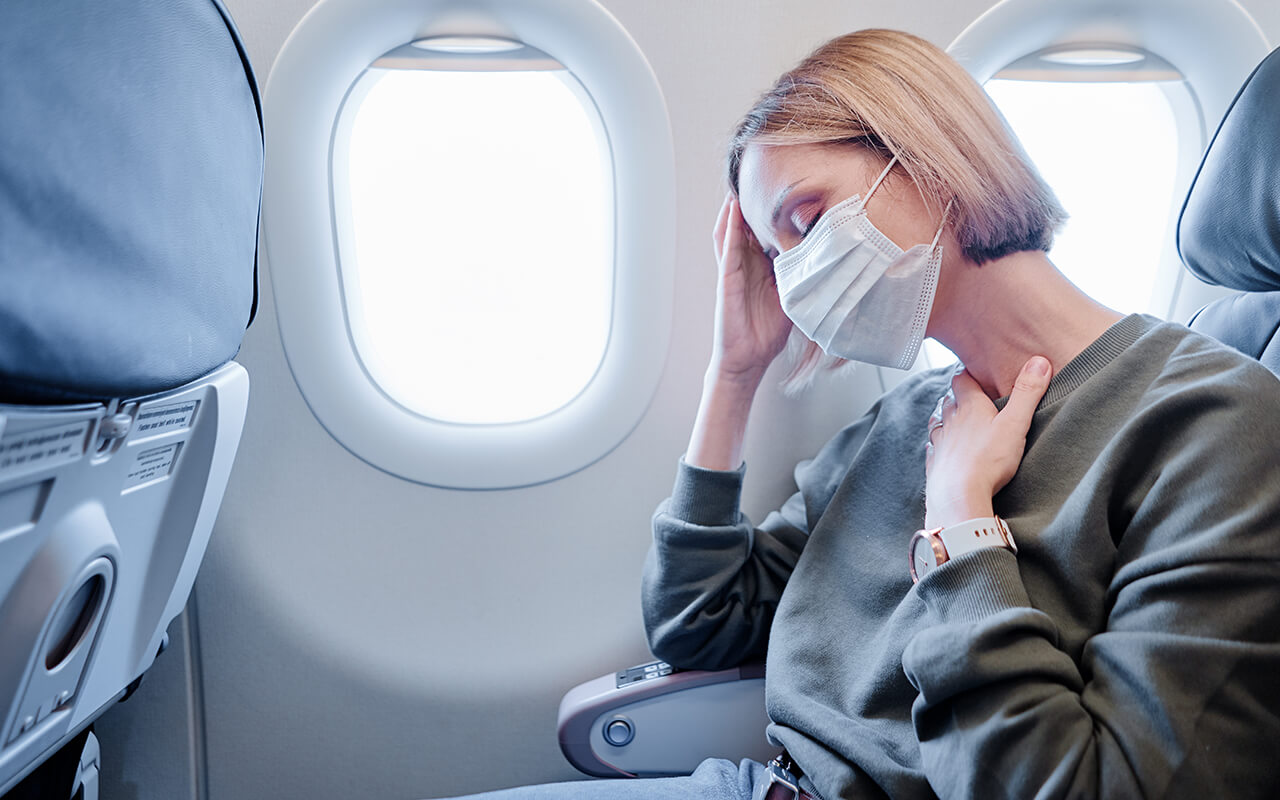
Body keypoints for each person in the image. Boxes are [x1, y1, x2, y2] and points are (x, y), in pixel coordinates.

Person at [441, 28, 1280, 800]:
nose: (797, 280)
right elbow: (700, 624)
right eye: (777, 259)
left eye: (806, 222)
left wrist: (961, 527)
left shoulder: (1212, 424)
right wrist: (735, 373)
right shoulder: (909, 416)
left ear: (930, 155)